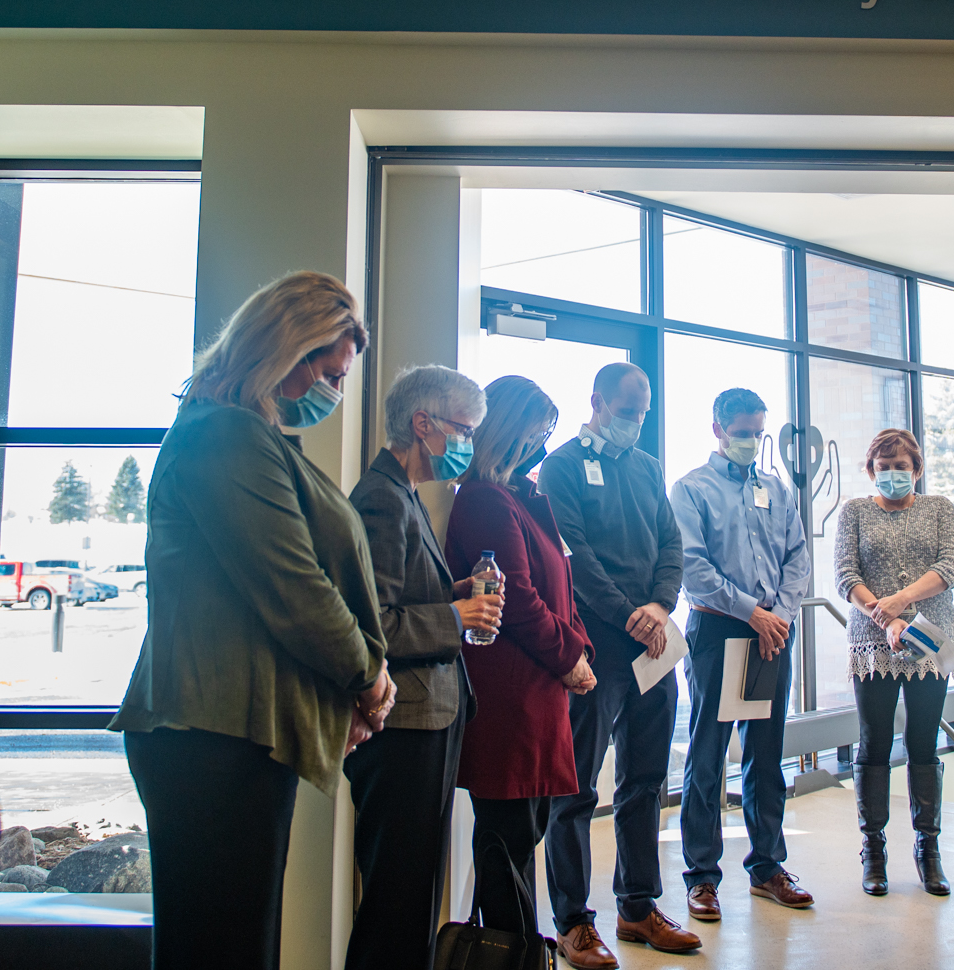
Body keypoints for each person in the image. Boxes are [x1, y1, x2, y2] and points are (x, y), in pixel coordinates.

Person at [112, 270, 393, 970]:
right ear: (285, 348)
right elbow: (296, 589)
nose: (333, 391)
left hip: (231, 734)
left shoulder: (245, 433)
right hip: (210, 738)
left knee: (235, 945)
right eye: (330, 373)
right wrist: (366, 676)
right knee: (221, 950)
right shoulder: (225, 435)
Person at [539, 362, 700, 964]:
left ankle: (637, 906)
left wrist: (659, 606)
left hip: (652, 643)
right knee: (576, 785)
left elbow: (671, 542)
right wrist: (626, 613)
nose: (636, 421)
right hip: (596, 643)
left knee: (646, 779)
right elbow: (573, 556)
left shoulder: (648, 467)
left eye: (643, 412)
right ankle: (572, 921)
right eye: (628, 411)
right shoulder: (560, 467)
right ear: (598, 402)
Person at [345, 365, 499, 970]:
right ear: (422, 423)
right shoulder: (382, 499)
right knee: (397, 900)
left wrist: (453, 594)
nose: (467, 444)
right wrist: (457, 616)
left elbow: (402, 596)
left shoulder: (405, 492)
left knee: (412, 896)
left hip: (427, 718)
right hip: (403, 725)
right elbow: (375, 627)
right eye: (463, 430)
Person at [447, 376, 596, 948]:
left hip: (538, 691)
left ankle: (518, 951)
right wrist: (570, 657)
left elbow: (561, 588)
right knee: (506, 845)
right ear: (507, 431)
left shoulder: (523, 498)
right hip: (510, 696)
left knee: (522, 835)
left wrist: (579, 647)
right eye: (534, 434)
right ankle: (508, 954)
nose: (541, 445)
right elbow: (517, 601)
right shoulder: (485, 500)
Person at [670, 387, 814, 921]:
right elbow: (693, 568)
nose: (751, 441)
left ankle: (768, 867)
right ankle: (702, 878)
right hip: (719, 631)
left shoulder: (776, 489)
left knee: (766, 753)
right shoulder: (690, 489)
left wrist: (780, 616)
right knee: (708, 756)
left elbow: (797, 557)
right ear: (718, 429)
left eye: (758, 432)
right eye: (741, 432)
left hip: (773, 633)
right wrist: (753, 612)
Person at [835, 428, 954, 898]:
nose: (893, 474)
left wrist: (901, 602)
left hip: (930, 636)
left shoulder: (940, 509)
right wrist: (884, 617)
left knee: (923, 743)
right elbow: (845, 574)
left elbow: (951, 567)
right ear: (872, 471)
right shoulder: (854, 511)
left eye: (901, 466)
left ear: (917, 469)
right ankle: (873, 850)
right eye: (884, 467)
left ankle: (929, 849)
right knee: (874, 743)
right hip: (873, 640)